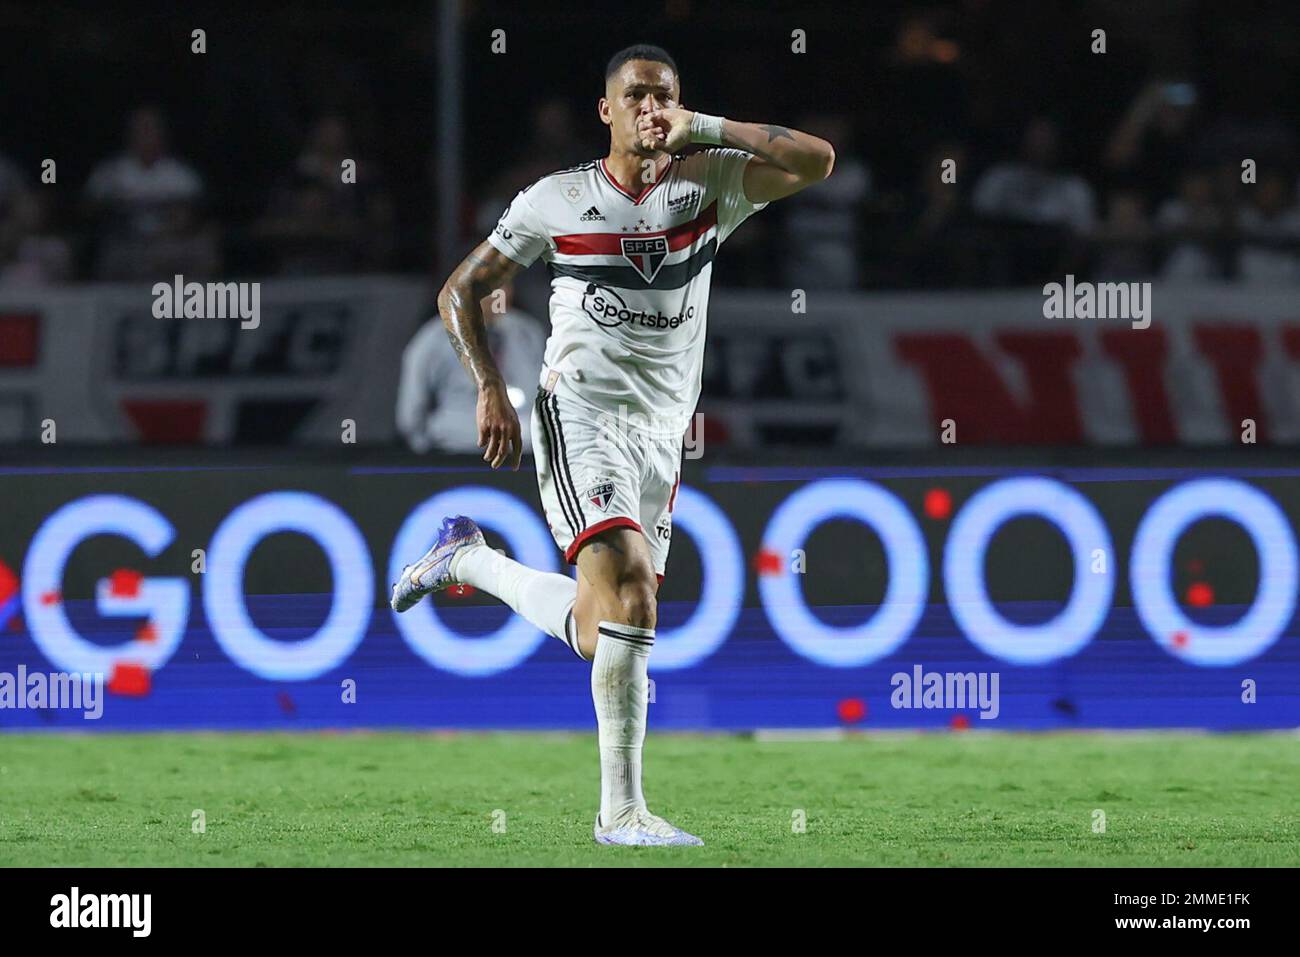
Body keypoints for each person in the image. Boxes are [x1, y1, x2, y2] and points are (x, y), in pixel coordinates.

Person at [389, 44, 834, 846]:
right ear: (606, 110)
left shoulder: (712, 184)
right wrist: (490, 384)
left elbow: (816, 161)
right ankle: (620, 813)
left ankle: (465, 559)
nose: (649, 108)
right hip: (579, 414)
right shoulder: (556, 200)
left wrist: (704, 127)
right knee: (632, 591)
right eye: (634, 95)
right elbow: (462, 289)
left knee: (605, 630)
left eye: (664, 96)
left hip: (662, 437)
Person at [396, 284, 545, 453]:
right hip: (457, 438)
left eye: (505, 285)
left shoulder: (527, 332)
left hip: (522, 440)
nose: (498, 295)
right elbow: (411, 406)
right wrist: (423, 453)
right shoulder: (434, 337)